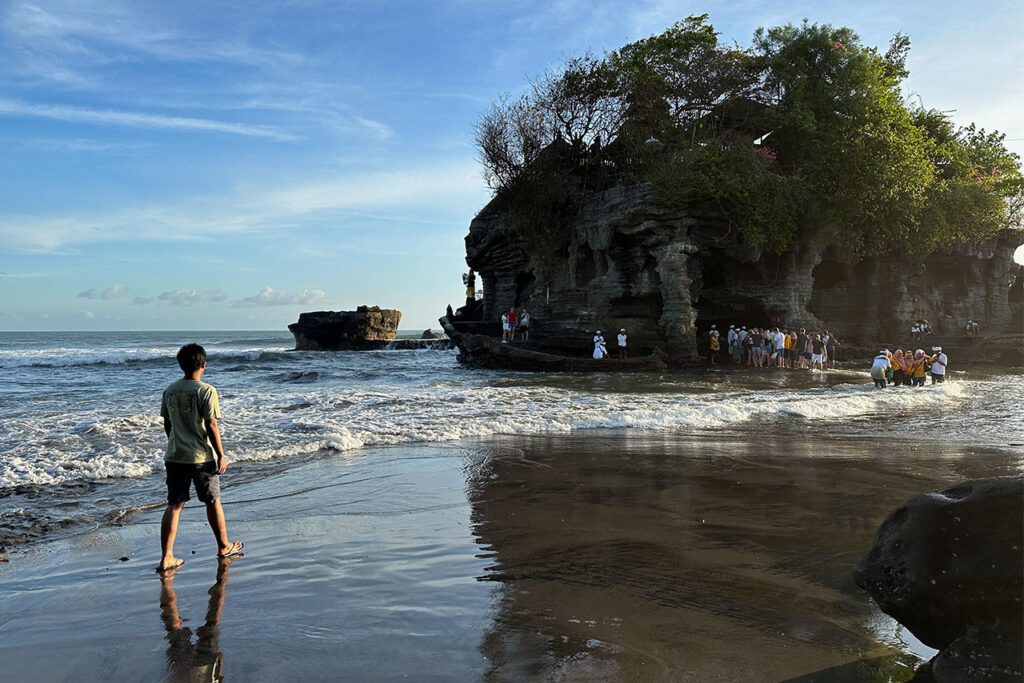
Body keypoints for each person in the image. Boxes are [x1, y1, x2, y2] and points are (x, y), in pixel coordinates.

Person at [159, 344, 243, 572]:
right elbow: (211, 424)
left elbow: (167, 423)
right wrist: (221, 455)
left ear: (181, 365)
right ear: (204, 365)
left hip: (175, 455)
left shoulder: (170, 390)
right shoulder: (206, 390)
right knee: (213, 500)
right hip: (201, 456)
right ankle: (224, 546)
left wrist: (174, 442)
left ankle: (167, 557)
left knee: (174, 505)